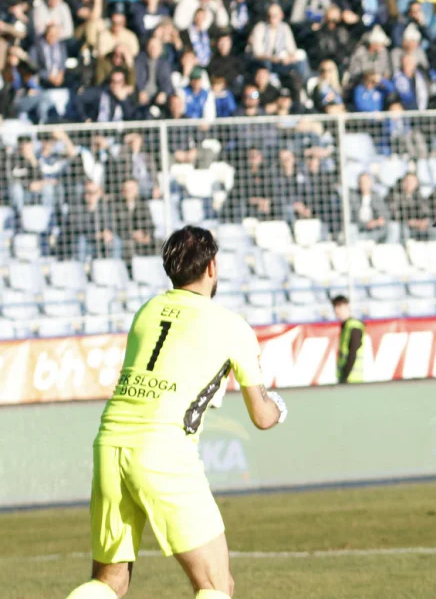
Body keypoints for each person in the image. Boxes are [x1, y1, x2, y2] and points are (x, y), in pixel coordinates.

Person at [64, 226, 288, 599]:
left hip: (110, 444)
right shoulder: (232, 326)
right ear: (212, 267)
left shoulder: (147, 311)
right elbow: (262, 416)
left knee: (107, 584)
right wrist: (279, 407)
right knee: (217, 585)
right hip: (164, 450)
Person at [65, 180, 122, 261]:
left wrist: (108, 232)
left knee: (116, 241)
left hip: (101, 244)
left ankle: (113, 269)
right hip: (85, 244)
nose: (91, 195)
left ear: (100, 193)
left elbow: (111, 224)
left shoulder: (104, 206)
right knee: (81, 241)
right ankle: (80, 269)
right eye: (88, 192)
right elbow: (77, 229)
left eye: (94, 192)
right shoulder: (76, 207)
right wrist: (97, 234)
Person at [112, 178, 156, 261]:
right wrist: (133, 234)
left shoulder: (143, 204)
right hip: (127, 239)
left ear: (136, 190)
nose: (128, 192)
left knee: (159, 243)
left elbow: (150, 224)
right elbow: (117, 227)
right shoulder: (117, 206)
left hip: (142, 238)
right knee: (127, 246)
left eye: (131, 189)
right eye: (126, 189)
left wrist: (145, 234)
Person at [350, 172, 397, 243]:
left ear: (371, 183)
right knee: (351, 229)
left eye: (366, 182)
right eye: (362, 182)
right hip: (359, 229)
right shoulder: (353, 197)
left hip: (375, 229)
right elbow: (351, 217)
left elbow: (385, 214)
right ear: (358, 184)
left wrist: (378, 221)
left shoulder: (376, 196)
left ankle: (387, 249)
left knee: (393, 227)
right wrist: (366, 224)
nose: (364, 184)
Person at [330, 295, 367, 383]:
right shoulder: (346, 326)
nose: (336, 310)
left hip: (352, 380)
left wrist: (345, 376)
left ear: (347, 306)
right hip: (348, 379)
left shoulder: (354, 326)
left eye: (340, 306)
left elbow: (353, 353)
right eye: (335, 307)